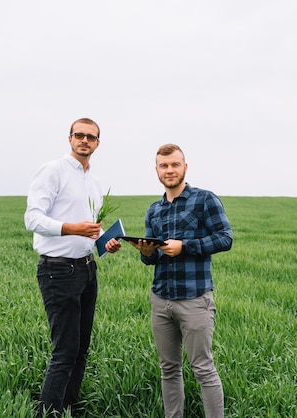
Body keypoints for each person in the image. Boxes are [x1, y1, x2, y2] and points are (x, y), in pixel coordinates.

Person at [120, 144, 233, 417]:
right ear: (156, 170)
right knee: (168, 369)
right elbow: (152, 259)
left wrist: (185, 246)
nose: (169, 170)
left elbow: (225, 238)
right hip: (161, 300)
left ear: (185, 167)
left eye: (174, 165)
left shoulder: (205, 200)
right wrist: (146, 252)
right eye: (163, 166)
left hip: (194, 299)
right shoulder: (154, 210)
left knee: (203, 369)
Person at [24, 117, 121, 417]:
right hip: (58, 271)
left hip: (87, 269)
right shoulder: (53, 171)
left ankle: (68, 408)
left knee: (80, 349)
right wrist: (71, 229)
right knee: (64, 350)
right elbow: (32, 219)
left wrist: (104, 243)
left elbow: (89, 231)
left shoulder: (94, 182)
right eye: (79, 135)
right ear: (69, 139)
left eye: (91, 137)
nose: (84, 141)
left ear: (98, 143)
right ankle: (48, 412)